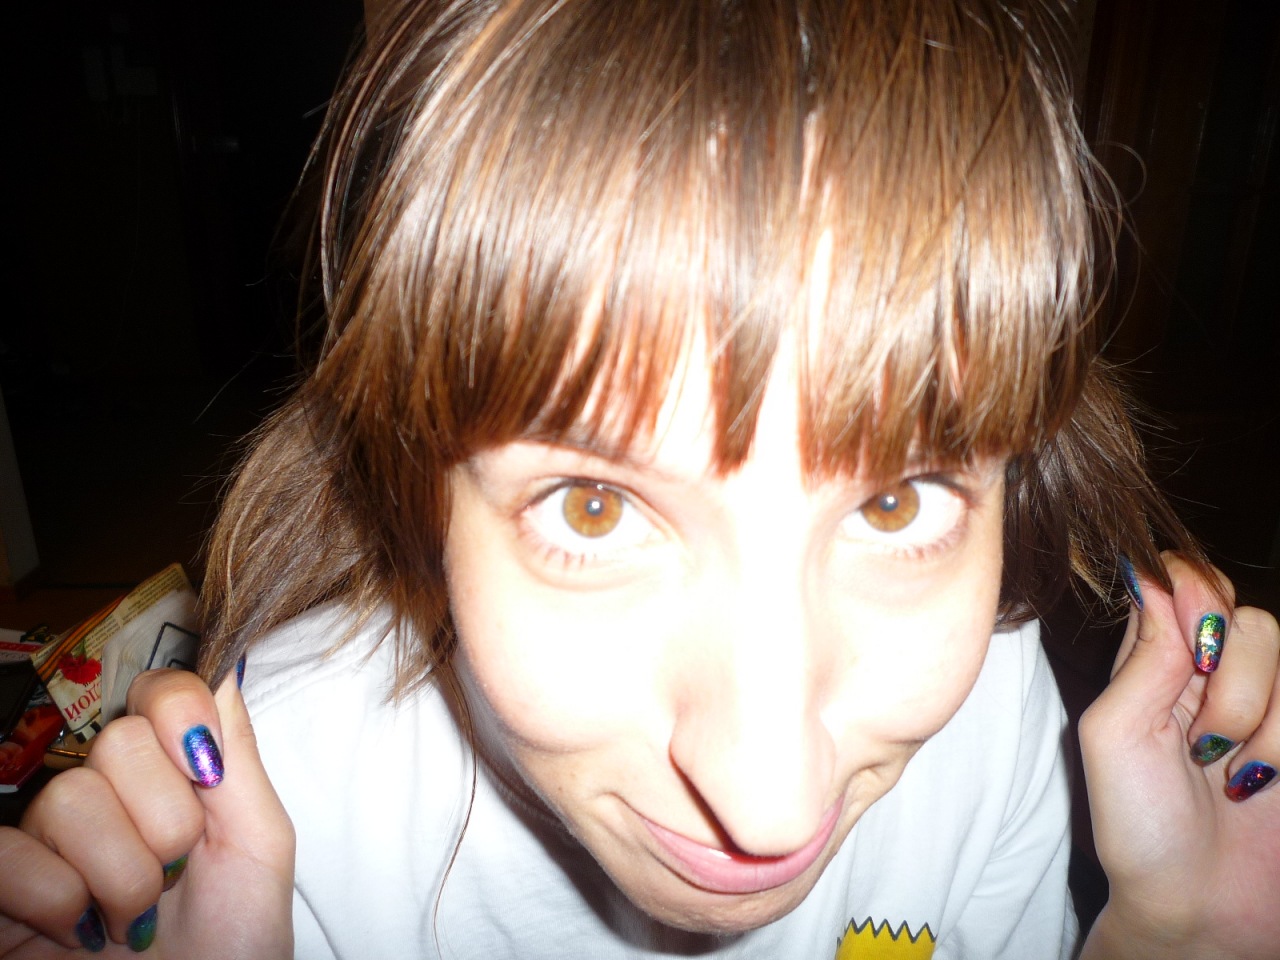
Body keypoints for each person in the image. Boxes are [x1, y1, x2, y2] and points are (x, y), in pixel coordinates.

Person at [2, 0, 1277, 956]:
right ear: (416, 489)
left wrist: (1177, 943)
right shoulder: (279, 828)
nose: (768, 807)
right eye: (594, 508)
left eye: (894, 504)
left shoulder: (995, 715)